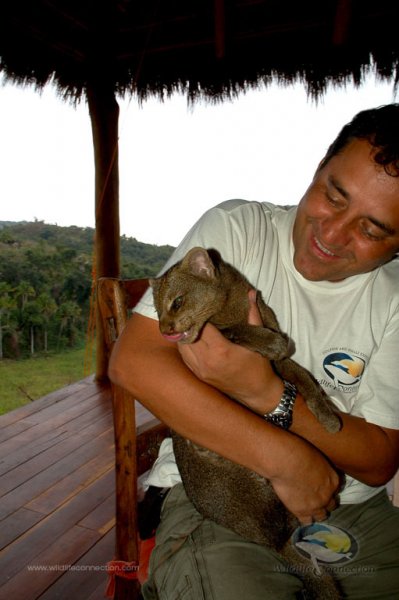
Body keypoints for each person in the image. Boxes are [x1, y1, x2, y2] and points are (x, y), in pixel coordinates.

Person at [109, 104, 399, 599]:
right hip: (218, 498)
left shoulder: (393, 298)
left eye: (371, 230)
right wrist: (286, 459)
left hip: (348, 507)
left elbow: (378, 460)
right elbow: (135, 361)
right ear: (318, 167)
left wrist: (267, 393)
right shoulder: (238, 231)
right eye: (332, 195)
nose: (330, 235)